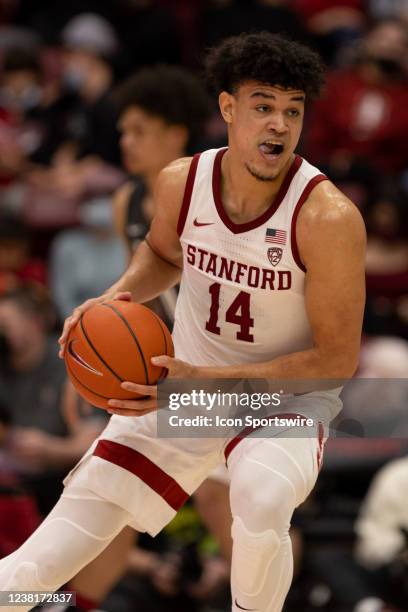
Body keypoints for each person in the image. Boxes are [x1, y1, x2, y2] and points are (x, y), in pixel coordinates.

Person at [0, 32, 366, 612]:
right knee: (35, 566)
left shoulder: (327, 216)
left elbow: (336, 360)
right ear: (228, 108)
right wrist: (112, 300)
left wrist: (199, 382)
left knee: (262, 494)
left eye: (293, 111)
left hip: (281, 401)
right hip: (185, 395)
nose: (279, 124)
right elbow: (163, 254)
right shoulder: (181, 182)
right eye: (263, 106)